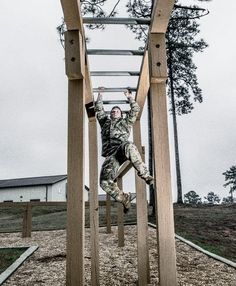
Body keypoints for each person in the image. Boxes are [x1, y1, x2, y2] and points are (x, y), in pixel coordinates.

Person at [95, 88, 154, 213]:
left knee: (129, 145)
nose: (114, 112)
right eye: (112, 111)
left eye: (117, 111)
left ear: (121, 114)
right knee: (104, 182)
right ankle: (123, 198)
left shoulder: (126, 122)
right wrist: (100, 95)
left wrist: (129, 97)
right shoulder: (105, 122)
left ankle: (146, 175)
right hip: (110, 156)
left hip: (121, 149)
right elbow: (99, 110)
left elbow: (135, 110)